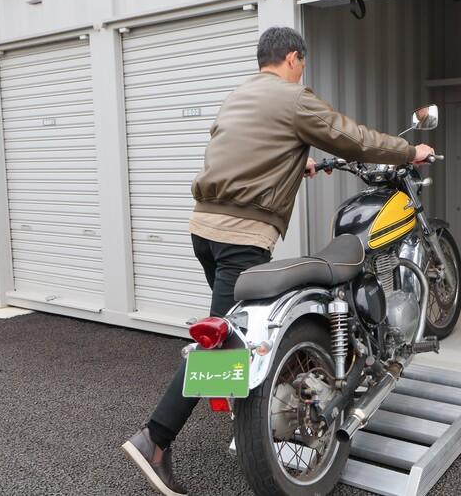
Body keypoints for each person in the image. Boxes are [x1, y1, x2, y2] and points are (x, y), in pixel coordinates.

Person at [121, 26, 434, 496]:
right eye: (301, 65)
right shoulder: (293, 98)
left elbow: (242, 149)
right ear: (292, 58)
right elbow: (349, 137)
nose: (301, 73)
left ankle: (248, 414)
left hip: (204, 229)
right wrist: (410, 150)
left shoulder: (240, 96)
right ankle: (155, 439)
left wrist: (294, 160)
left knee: (231, 334)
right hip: (242, 235)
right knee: (225, 345)